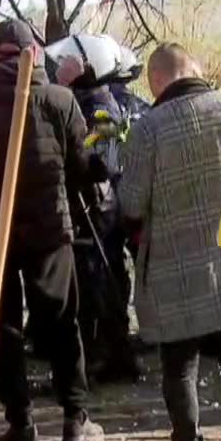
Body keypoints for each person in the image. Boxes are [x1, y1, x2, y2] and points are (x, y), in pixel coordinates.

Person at [118, 43, 221, 441]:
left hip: (172, 265)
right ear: (194, 69)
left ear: (157, 81)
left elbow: (131, 202)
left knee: (180, 366)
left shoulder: (148, 129)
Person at [0, 19, 106, 441]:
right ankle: (74, 418)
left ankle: (22, 425)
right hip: (50, 227)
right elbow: (80, 166)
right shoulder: (60, 99)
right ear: (35, 53)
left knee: (3, 328)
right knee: (63, 321)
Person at [47, 33, 142, 383]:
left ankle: (110, 356)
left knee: (101, 281)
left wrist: (72, 150)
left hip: (97, 207)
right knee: (97, 281)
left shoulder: (100, 101)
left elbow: (104, 158)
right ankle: (108, 354)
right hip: (94, 205)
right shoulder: (87, 98)